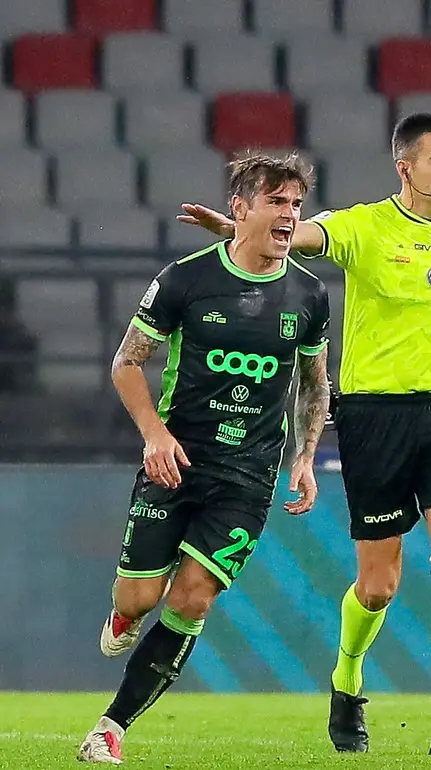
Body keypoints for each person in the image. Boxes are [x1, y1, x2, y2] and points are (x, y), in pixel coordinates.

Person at [176, 112, 431, 756]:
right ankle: (346, 678)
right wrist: (240, 230)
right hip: (375, 417)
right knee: (379, 584)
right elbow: (299, 236)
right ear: (405, 166)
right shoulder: (364, 226)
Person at [78, 154, 331, 764]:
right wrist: (154, 434)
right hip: (176, 462)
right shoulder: (185, 280)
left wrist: (305, 457)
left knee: (192, 598)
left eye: (295, 205)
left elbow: (315, 383)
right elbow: (126, 363)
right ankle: (123, 616)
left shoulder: (310, 294)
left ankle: (111, 728)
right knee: (137, 599)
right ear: (241, 207)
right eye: (276, 201)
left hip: (248, 475)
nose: (288, 214)